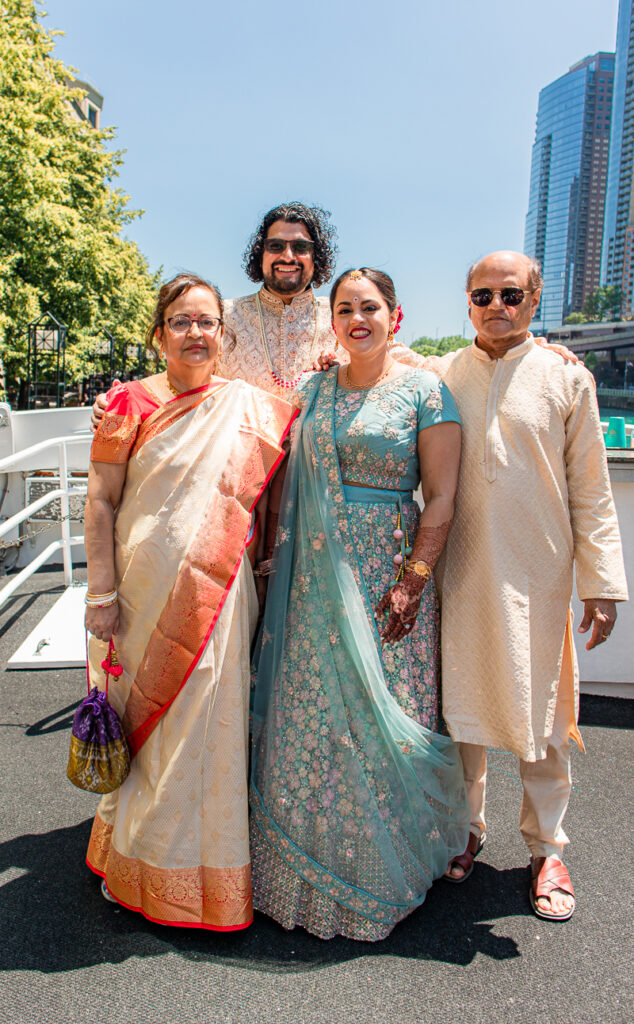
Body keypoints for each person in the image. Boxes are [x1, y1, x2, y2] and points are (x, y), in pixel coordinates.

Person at [249, 268, 470, 941]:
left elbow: (442, 496)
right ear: (333, 321)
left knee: (385, 716)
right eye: (345, 309)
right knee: (310, 712)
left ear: (394, 317)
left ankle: (384, 865)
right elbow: (283, 481)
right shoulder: (313, 389)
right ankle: (302, 863)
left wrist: (414, 578)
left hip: (387, 579)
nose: (357, 320)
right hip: (312, 580)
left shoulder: (425, 391)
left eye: (369, 308)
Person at [83, 273, 296, 930]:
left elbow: (346, 384)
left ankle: (202, 873)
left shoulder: (251, 405)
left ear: (222, 335)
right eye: (183, 321)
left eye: (208, 322)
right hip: (139, 594)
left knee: (207, 728)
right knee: (147, 732)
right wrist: (101, 593)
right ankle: (137, 864)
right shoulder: (126, 404)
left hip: (219, 593)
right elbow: (99, 503)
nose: (197, 333)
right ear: (159, 333)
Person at [433, 251, 628, 921]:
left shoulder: (564, 378)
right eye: (483, 294)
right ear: (466, 301)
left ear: (534, 300)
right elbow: (373, 360)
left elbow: (593, 492)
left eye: (511, 294)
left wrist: (601, 584)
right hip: (459, 574)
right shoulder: (444, 374)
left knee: (542, 713)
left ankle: (548, 847)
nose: (497, 306)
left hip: (538, 576)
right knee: (461, 710)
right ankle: (466, 830)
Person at [90, 203, 338, 425]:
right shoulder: (221, 316)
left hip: (319, 471)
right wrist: (121, 405)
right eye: (275, 246)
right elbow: (181, 379)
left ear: (316, 256)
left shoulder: (342, 316)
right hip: (237, 467)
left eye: (300, 247)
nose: (287, 256)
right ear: (260, 254)